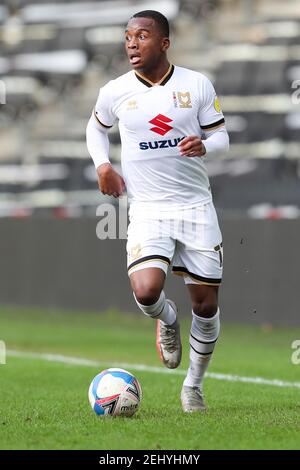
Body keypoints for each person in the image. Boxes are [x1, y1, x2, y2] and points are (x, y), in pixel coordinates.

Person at [86, 10, 229, 412]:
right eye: (128, 36)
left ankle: (193, 386)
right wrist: (103, 164)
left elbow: (221, 135)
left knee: (205, 305)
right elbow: (96, 127)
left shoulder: (195, 85)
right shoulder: (115, 91)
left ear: (164, 43)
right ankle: (166, 321)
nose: (132, 43)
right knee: (147, 292)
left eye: (142, 36)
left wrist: (205, 145)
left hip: (196, 208)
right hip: (148, 209)